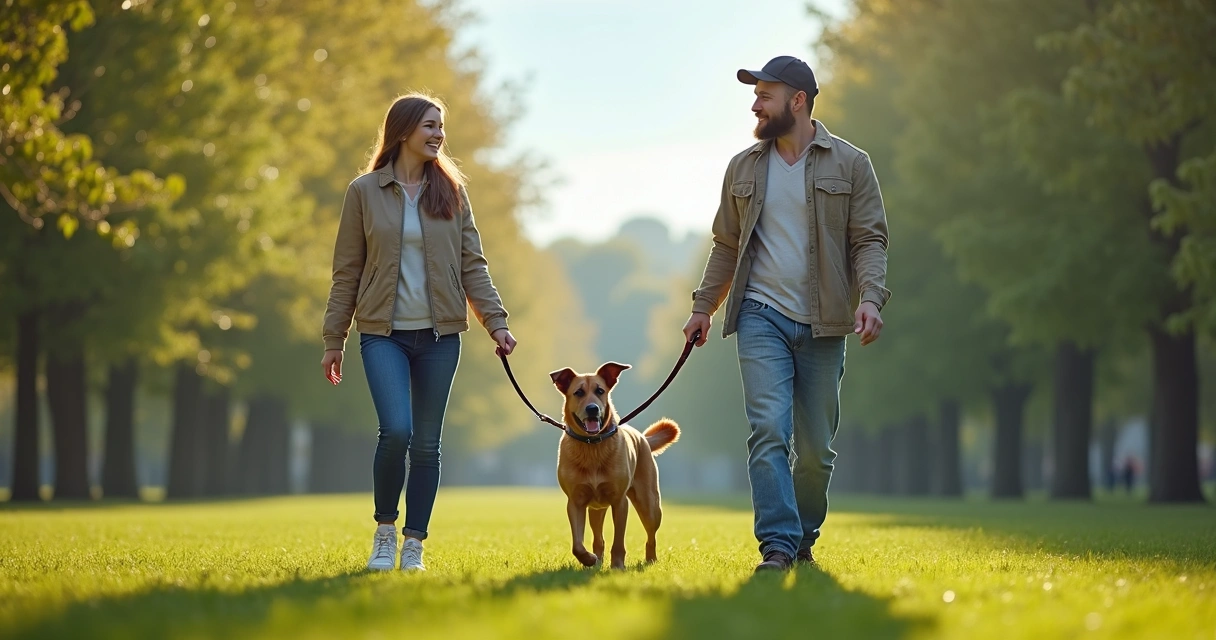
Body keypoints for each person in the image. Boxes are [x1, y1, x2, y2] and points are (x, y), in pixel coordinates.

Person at [682, 56, 891, 572]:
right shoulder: (744, 167)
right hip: (760, 314)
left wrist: (870, 297)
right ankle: (776, 544)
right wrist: (704, 307)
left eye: (765, 95)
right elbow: (726, 245)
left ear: (797, 101)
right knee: (768, 431)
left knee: (816, 452)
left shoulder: (851, 164)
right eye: (755, 96)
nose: (755, 105)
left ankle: (802, 540)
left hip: (826, 322)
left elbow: (869, 240)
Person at [321, 93, 517, 572]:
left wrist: (496, 323)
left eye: (441, 127)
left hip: (439, 337)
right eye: (430, 125)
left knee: (427, 444)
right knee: (396, 431)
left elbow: (472, 265)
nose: (438, 135)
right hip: (381, 332)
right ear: (404, 130)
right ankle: (384, 533)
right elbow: (347, 271)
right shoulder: (363, 192)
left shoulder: (452, 192)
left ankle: (414, 545)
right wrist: (334, 338)